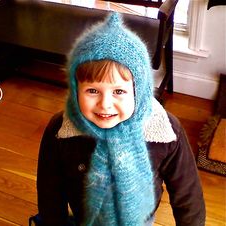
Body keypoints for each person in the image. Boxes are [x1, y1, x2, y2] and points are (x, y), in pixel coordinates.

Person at [36, 12, 205, 226]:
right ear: (74, 89)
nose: (105, 104)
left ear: (139, 91)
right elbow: (50, 191)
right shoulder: (60, 130)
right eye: (92, 91)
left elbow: (188, 195)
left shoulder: (165, 131)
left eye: (118, 91)